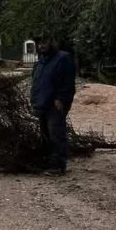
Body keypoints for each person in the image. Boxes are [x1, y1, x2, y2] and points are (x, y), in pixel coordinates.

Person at [31, 37, 76, 176]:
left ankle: (58, 166)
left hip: (55, 105)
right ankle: (48, 162)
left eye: (45, 42)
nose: (41, 45)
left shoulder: (62, 59)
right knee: (45, 135)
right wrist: (34, 101)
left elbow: (68, 81)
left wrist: (61, 98)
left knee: (56, 133)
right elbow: (37, 83)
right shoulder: (40, 63)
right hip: (42, 103)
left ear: (52, 42)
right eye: (39, 43)